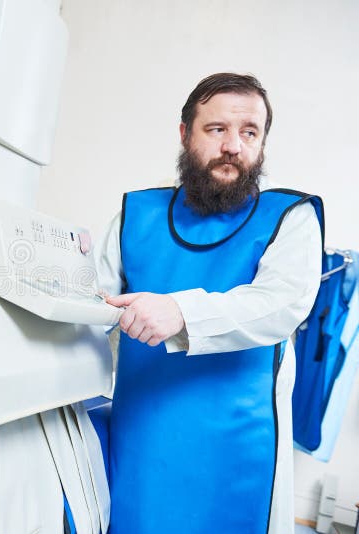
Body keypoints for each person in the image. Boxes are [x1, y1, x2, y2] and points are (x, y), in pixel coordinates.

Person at [94, 73, 323, 533]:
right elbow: (91, 308)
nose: (233, 146)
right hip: (143, 432)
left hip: (239, 444)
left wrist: (179, 311)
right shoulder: (134, 214)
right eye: (217, 129)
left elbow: (280, 305)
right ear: (185, 134)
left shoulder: (290, 216)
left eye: (249, 132)